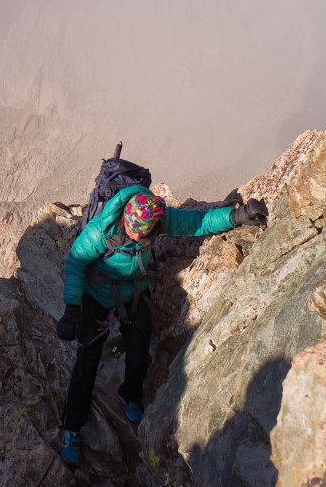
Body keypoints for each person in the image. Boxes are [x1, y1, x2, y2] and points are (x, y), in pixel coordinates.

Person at [54, 183, 267, 466]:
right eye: (132, 232)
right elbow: (76, 262)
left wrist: (236, 217)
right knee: (87, 361)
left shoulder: (157, 218)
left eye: (142, 235)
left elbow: (197, 222)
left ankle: (130, 395)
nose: (136, 237)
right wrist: (72, 310)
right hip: (95, 294)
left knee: (139, 347)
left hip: (131, 292)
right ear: (123, 221)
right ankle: (72, 428)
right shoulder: (101, 230)